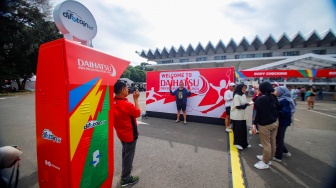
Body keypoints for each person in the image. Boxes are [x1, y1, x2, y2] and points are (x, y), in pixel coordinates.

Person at [113, 81, 141, 187]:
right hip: (130, 134)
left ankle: (126, 168)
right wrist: (136, 99)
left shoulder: (112, 102)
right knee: (129, 155)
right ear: (123, 90)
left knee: (125, 153)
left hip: (121, 134)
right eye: (127, 88)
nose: (128, 89)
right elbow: (138, 113)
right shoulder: (127, 104)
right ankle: (126, 178)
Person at [253, 81, 279, 169]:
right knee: (272, 142)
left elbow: (258, 113)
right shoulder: (273, 97)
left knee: (266, 144)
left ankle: (264, 162)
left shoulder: (260, 99)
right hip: (275, 122)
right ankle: (269, 158)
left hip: (265, 124)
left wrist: (254, 125)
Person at [273, 86, 296, 162]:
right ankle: (285, 151)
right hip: (283, 121)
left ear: (281, 92)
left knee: (279, 138)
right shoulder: (282, 99)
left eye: (276, 91)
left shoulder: (284, 100)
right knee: (279, 137)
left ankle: (278, 156)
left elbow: (285, 112)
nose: (275, 92)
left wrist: (275, 110)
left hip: (283, 122)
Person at [230, 84, 251, 150]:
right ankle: (237, 143)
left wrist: (246, 104)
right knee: (238, 130)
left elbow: (244, 103)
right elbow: (238, 106)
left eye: (245, 88)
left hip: (242, 115)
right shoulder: (236, 96)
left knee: (243, 130)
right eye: (243, 88)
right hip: (237, 116)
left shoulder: (244, 95)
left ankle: (244, 143)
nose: (244, 89)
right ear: (240, 88)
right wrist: (246, 105)